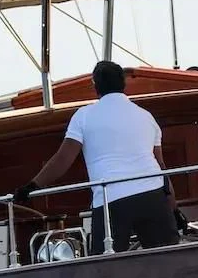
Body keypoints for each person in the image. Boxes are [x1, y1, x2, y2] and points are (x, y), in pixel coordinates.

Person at [15, 60, 178, 254]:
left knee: (103, 271)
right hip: (153, 196)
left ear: (95, 86)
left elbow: (63, 159)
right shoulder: (146, 116)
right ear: (123, 84)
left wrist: (32, 186)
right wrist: (173, 209)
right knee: (168, 262)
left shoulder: (84, 116)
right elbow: (161, 167)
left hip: (111, 200)